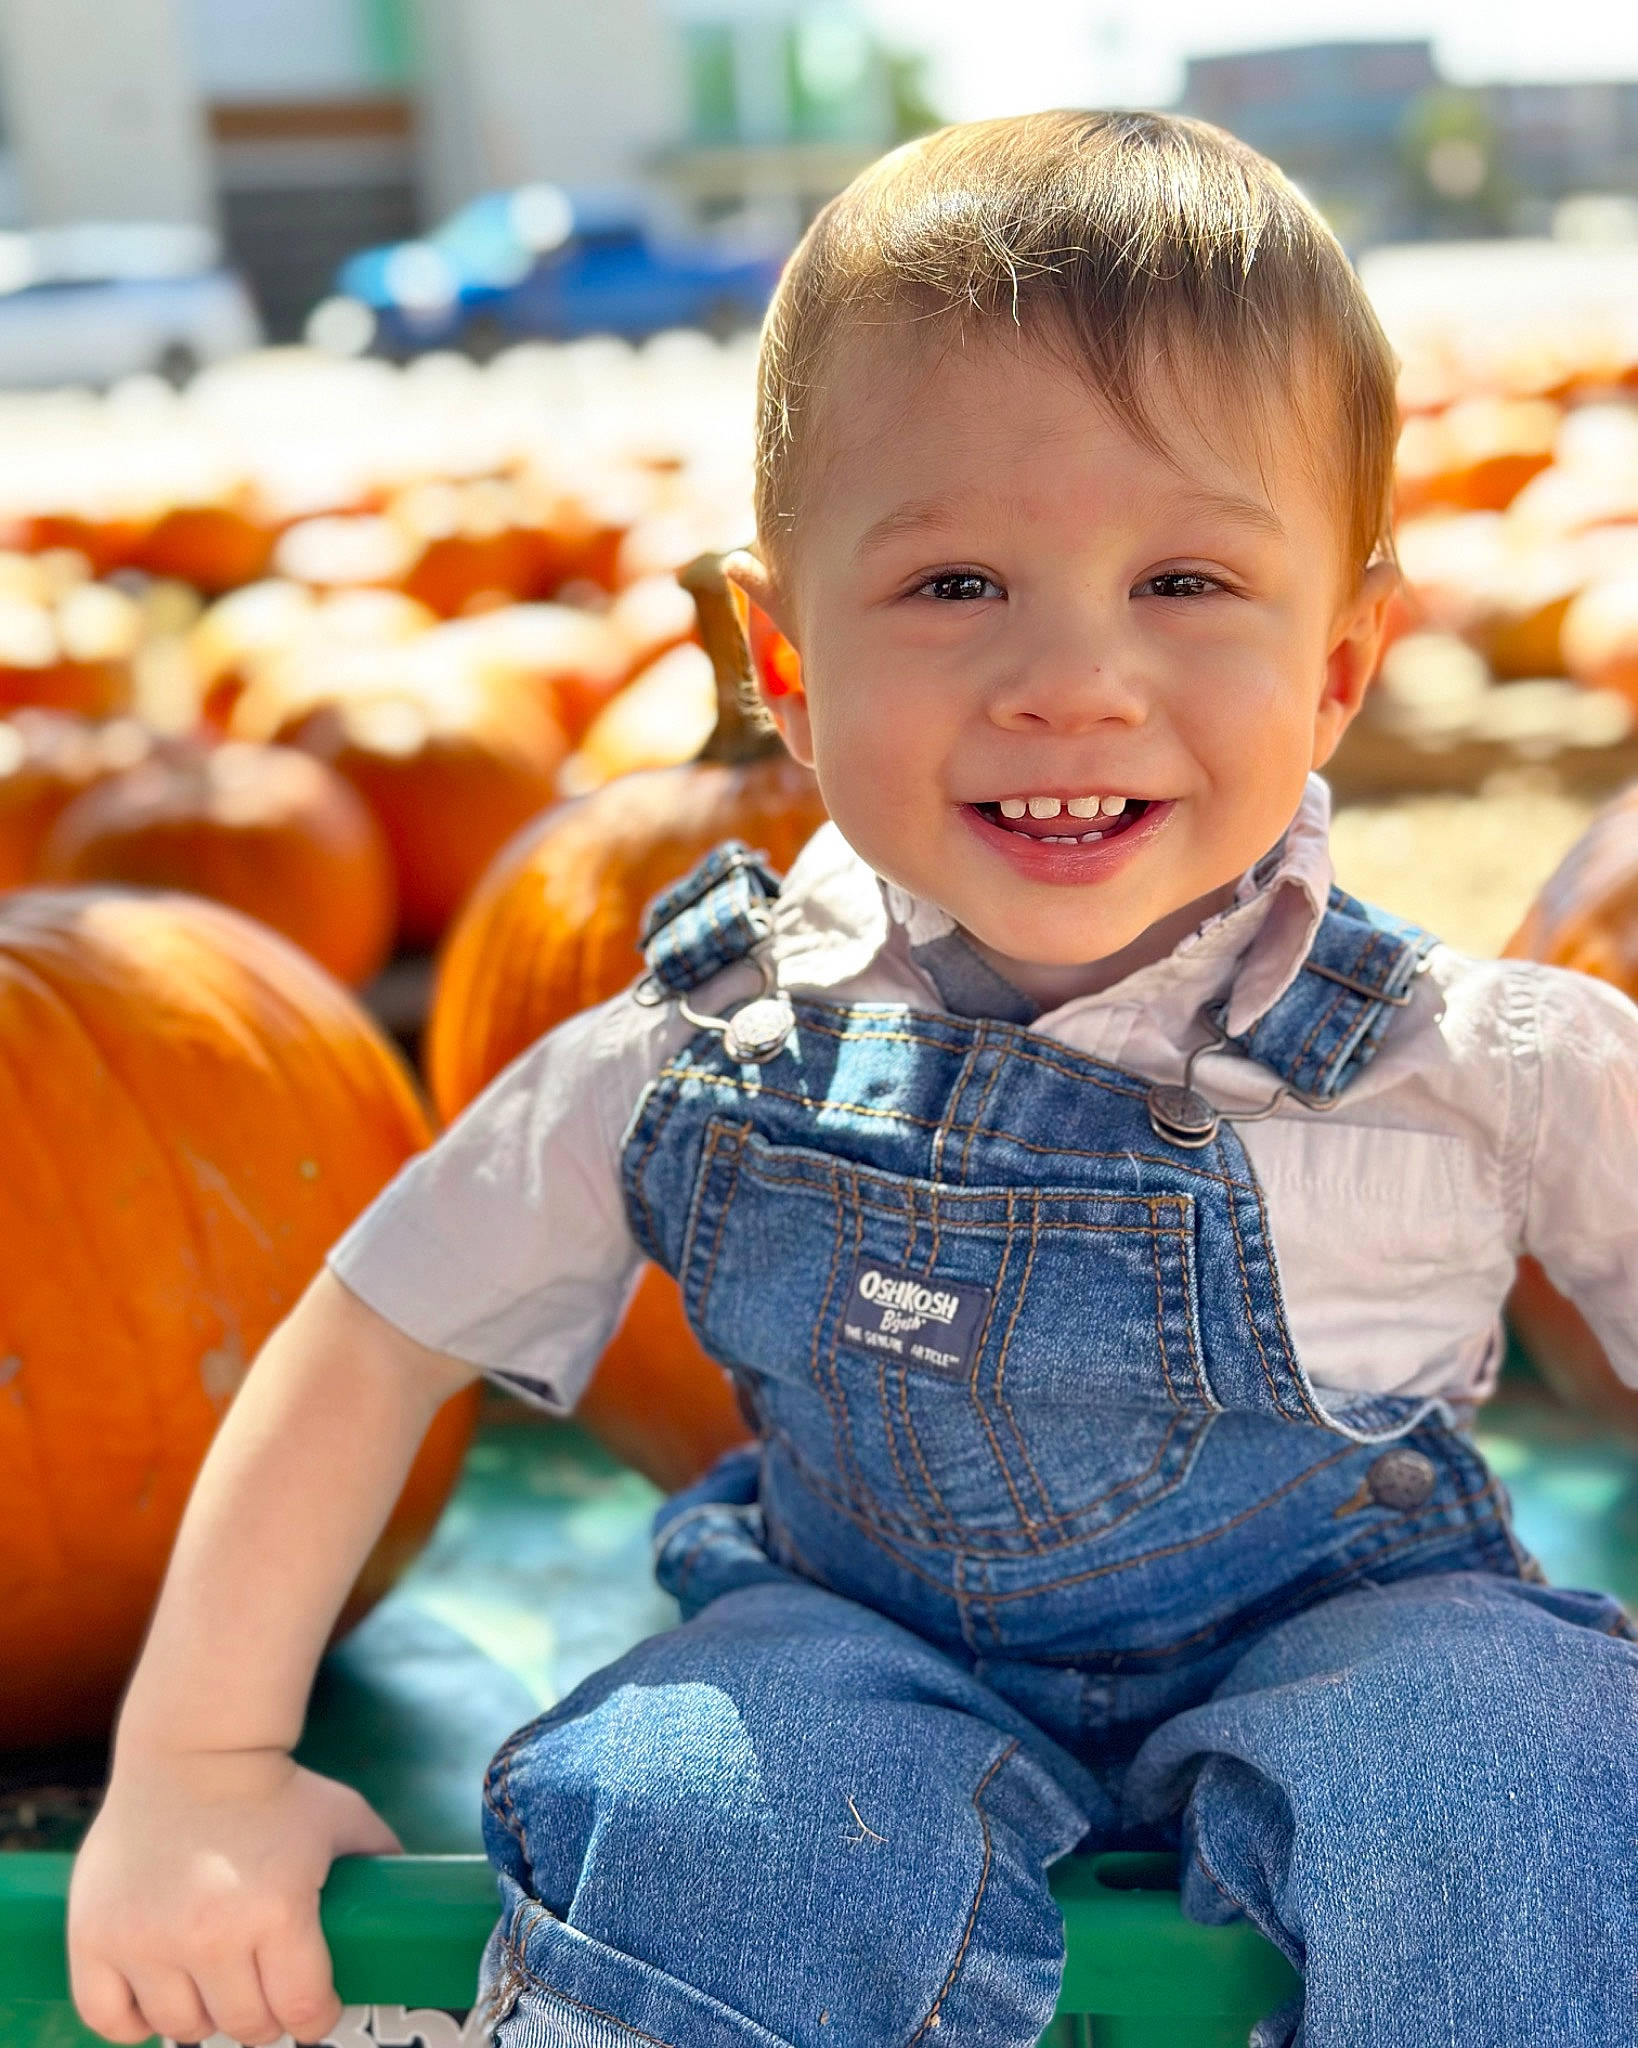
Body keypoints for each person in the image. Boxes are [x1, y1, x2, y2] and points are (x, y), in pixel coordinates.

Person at [69, 110, 1638, 2048]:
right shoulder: (694, 1049)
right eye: (958, 585)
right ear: (784, 654)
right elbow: (367, 1331)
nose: (1073, 677)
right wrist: (200, 1754)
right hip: (872, 1639)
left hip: (1361, 1630)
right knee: (687, 1794)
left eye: (1189, 583)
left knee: (1527, 1769)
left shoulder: (1470, 1057)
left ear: (1341, 661)